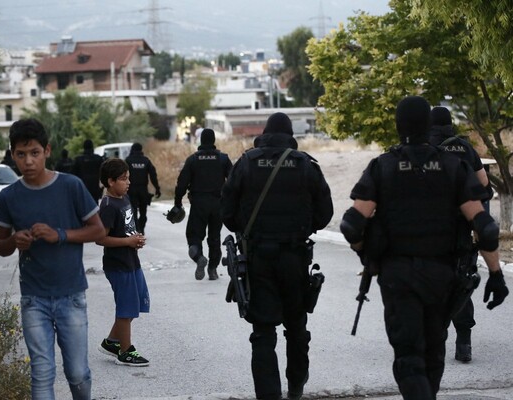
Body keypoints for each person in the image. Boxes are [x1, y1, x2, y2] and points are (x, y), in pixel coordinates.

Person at [340, 96, 508, 400]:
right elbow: (484, 226)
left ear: (397, 125)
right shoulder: (453, 166)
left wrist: (368, 253)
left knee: (408, 359)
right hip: (442, 274)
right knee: (433, 356)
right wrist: (495, 274)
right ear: (427, 125)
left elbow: (352, 224)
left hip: (397, 276)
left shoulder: (383, 166)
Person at [221, 112, 334, 400]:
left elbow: (228, 214)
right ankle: (296, 385)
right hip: (295, 257)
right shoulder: (306, 165)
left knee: (263, 332)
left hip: (258, 257)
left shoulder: (246, 162)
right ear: (290, 136)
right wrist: (302, 227)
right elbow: (325, 215)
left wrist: (249, 229)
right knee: (296, 326)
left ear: (265, 133)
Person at [0, 118, 106, 400]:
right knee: (42, 374)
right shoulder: (9, 197)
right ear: (13, 155)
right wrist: (14, 240)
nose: (28, 161)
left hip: (71, 296)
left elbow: (98, 230)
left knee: (78, 373)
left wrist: (60, 235)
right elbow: (1, 247)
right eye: (21, 154)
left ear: (47, 150)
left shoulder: (71, 186)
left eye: (34, 152)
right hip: (34, 299)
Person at [428, 106, 493, 363]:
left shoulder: (424, 146)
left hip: (431, 229)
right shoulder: (464, 147)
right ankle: (463, 342)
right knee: (461, 280)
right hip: (461, 228)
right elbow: (484, 185)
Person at [96, 158, 150, 367]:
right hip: (118, 264)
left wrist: (134, 239)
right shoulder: (108, 205)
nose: (128, 182)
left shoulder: (124, 199)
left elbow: (126, 228)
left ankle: (112, 342)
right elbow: (100, 238)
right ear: (110, 181)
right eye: (123, 179)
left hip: (131, 260)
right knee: (126, 309)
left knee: (136, 303)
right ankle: (125, 351)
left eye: (129, 178)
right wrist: (127, 241)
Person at [174, 128, 233, 280]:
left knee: (194, 236)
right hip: (218, 204)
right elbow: (233, 182)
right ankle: (213, 269)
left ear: (201, 140)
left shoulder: (193, 159)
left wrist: (178, 202)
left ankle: (199, 257)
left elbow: (181, 184)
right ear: (214, 141)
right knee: (214, 238)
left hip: (199, 203)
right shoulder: (223, 159)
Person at [125, 142, 161, 234]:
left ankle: (137, 228)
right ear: (141, 150)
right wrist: (157, 188)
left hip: (131, 190)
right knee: (143, 212)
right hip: (143, 190)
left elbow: (122, 175)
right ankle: (141, 228)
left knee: (133, 211)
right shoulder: (146, 161)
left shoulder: (128, 160)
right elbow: (153, 175)